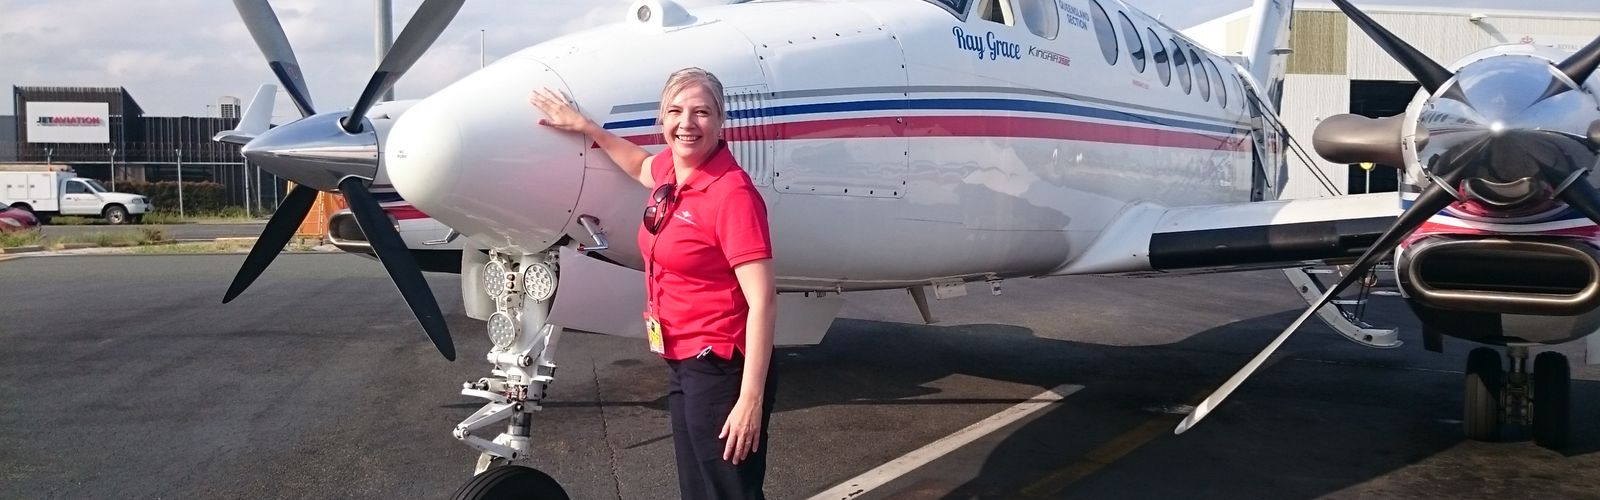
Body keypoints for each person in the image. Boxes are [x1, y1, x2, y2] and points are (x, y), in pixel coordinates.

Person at [530, 68, 777, 499]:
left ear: (721, 121)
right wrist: (587, 127)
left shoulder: (731, 194)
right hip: (684, 359)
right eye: (675, 111)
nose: (687, 123)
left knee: (728, 491)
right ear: (662, 119)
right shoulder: (672, 171)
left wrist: (750, 399)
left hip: (722, 366)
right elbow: (639, 164)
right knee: (698, 489)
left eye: (702, 112)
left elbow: (763, 300)